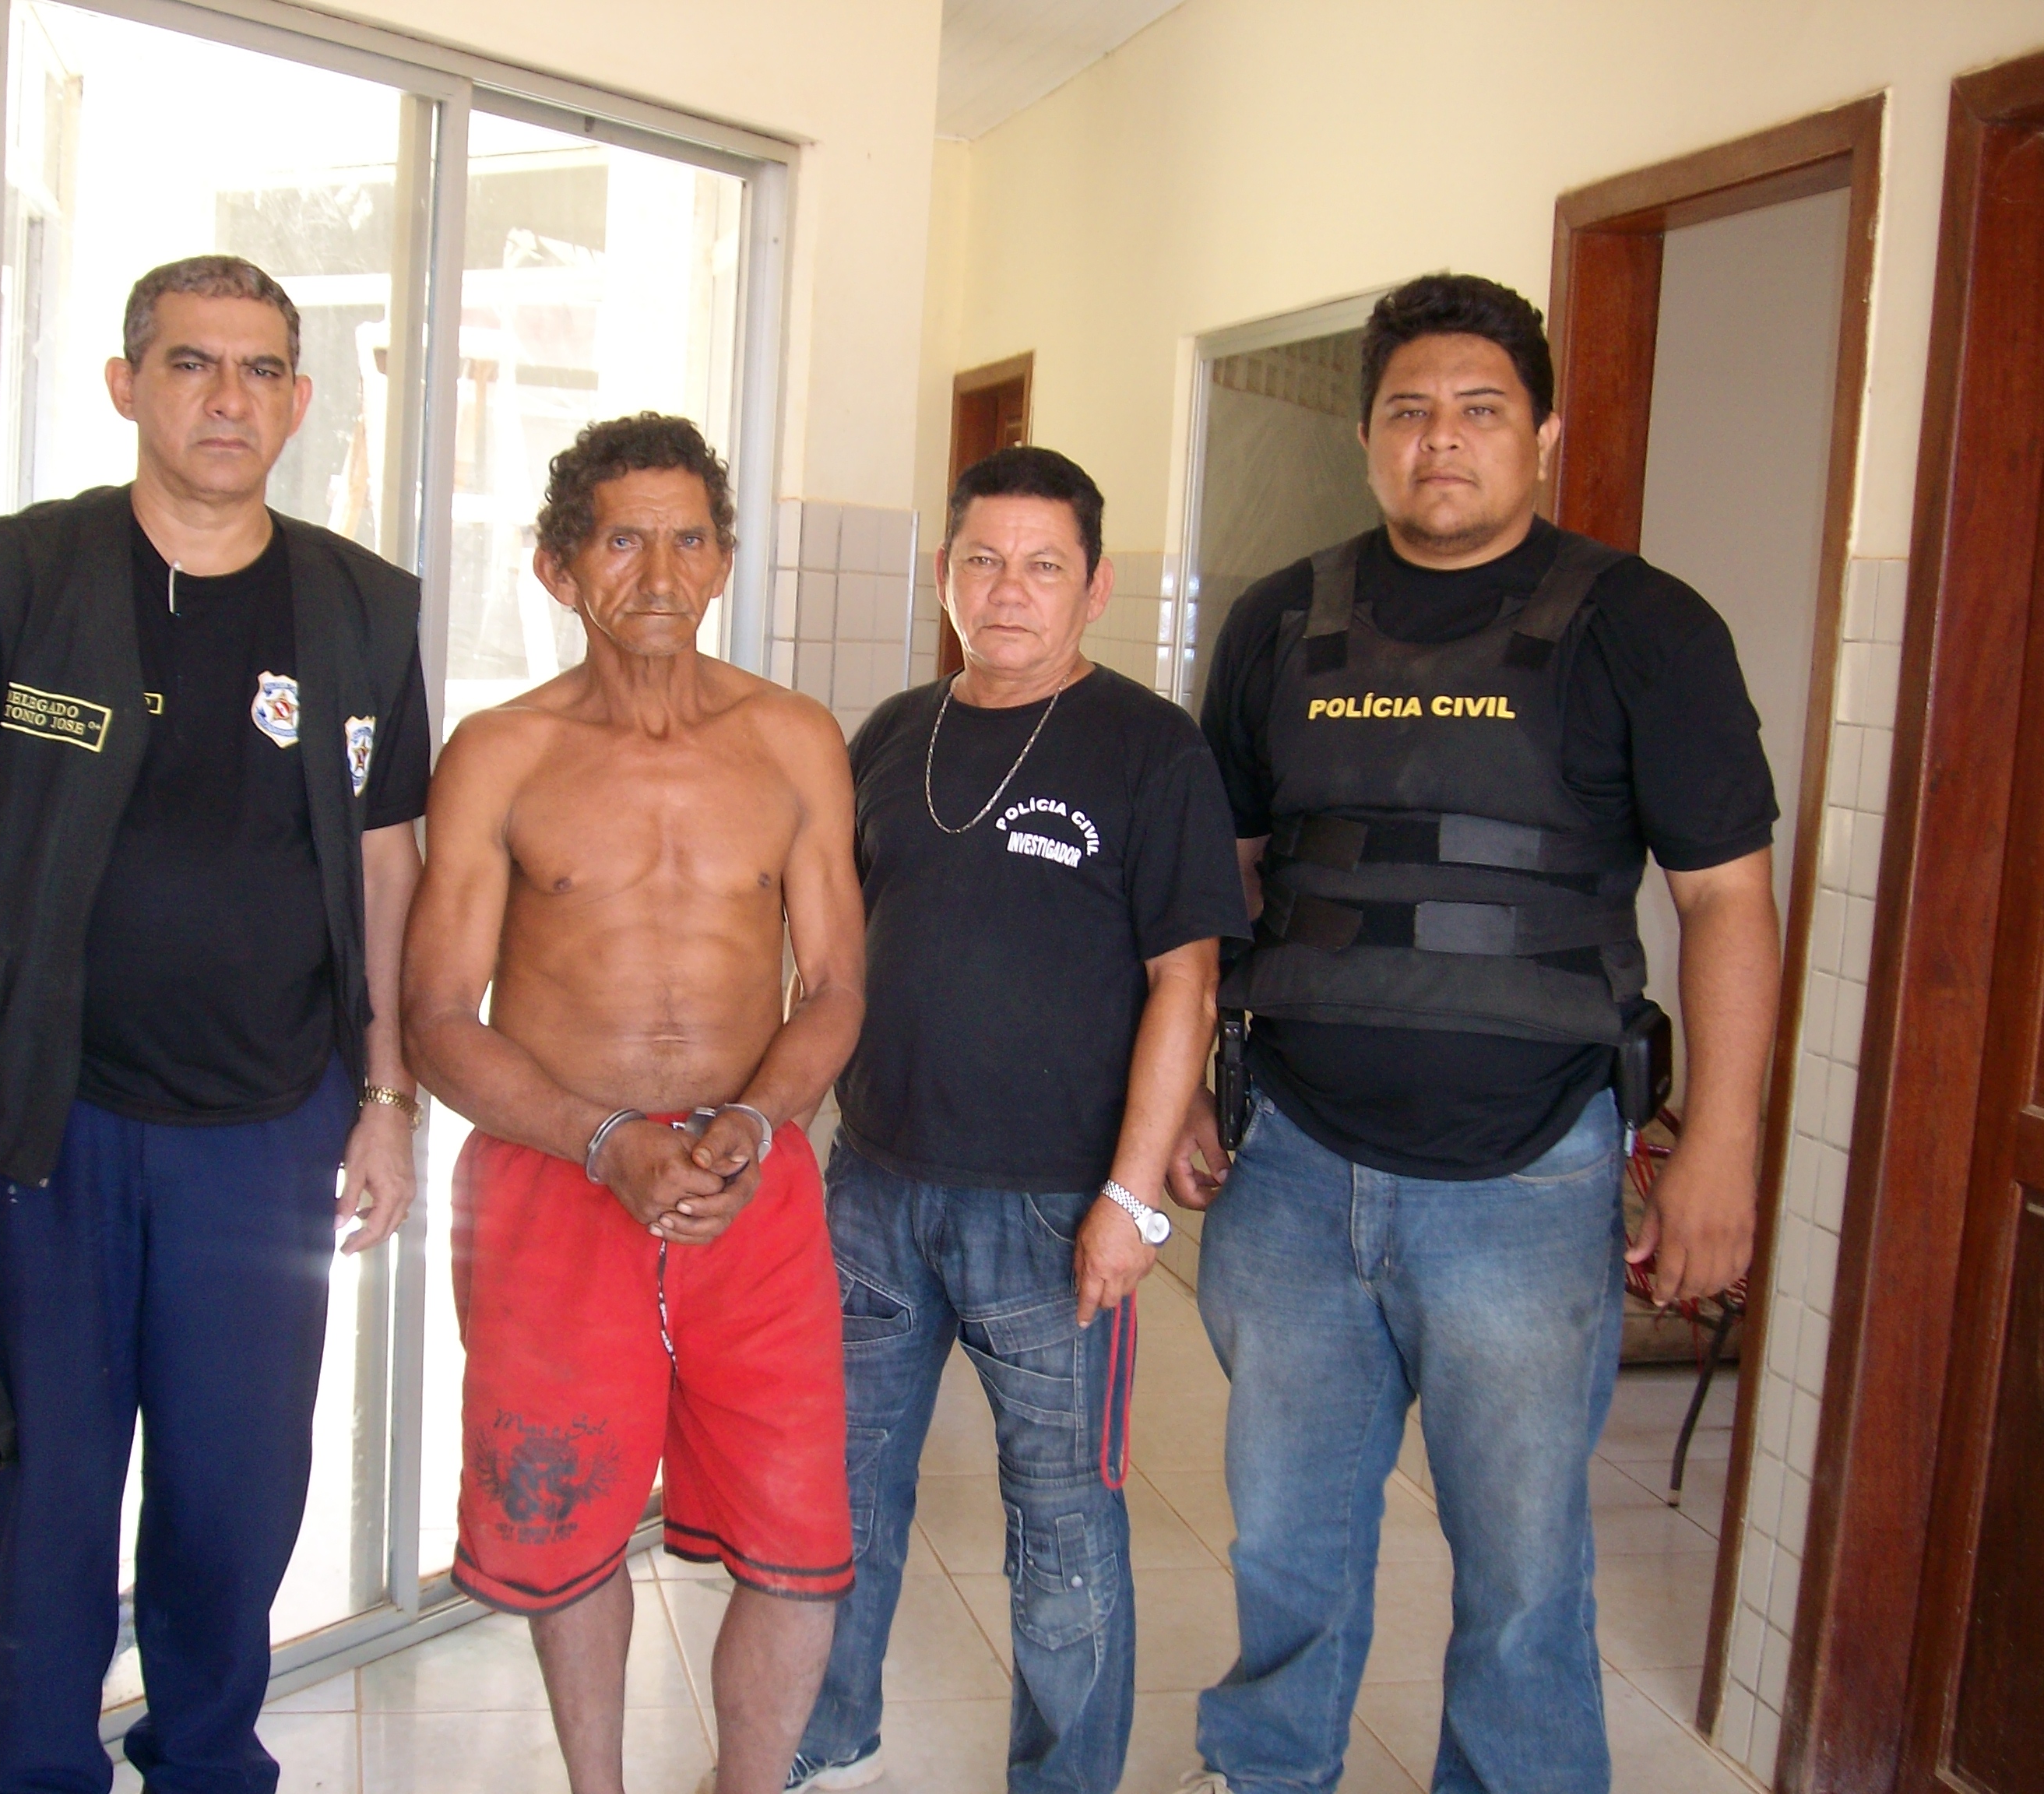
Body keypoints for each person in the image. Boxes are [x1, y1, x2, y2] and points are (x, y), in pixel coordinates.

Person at [1168, 273, 1782, 1794]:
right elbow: (1216, 887)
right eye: (1409, 411)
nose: (1440, 439)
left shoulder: (1644, 628)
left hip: (1528, 1181)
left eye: (1480, 409)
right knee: (1288, 1554)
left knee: (1521, 1579)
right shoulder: (1278, 620)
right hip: (1293, 1165)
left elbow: (1726, 901)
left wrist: (1721, 1148)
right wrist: (1179, 1090)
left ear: (1544, 434)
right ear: (1368, 438)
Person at [0, 255, 431, 1792]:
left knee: (235, 1492)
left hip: (268, 1133)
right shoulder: (14, 579)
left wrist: (390, 1098)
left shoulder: (363, 609)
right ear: (127, 386)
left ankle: (204, 1759)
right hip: (46, 1124)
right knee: (45, 1496)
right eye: (191, 363)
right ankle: (31, 1768)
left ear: (300, 403)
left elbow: (391, 870)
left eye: (261, 370)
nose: (226, 399)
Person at [399, 413, 867, 1794]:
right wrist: (603, 1142)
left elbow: (837, 982)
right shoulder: (501, 753)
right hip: (555, 1182)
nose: (659, 573)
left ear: (722, 560)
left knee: (797, 1540)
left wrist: (759, 1123)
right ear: (559, 567)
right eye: (621, 540)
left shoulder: (793, 741)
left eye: (688, 540)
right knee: (566, 1527)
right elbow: (437, 1017)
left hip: (750, 1185)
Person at [791, 446, 1250, 1794]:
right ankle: (823, 1735)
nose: (1008, 591)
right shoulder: (891, 734)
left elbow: (1188, 983)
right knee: (838, 1497)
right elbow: (831, 957)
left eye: (1044, 566)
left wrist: (1133, 1200)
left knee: (1061, 1534)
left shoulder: (1152, 749)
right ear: (945, 574)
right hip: (873, 1190)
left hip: (1057, 1212)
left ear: (1095, 589)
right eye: (984, 561)